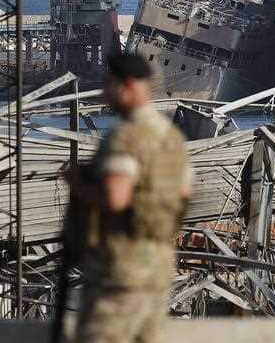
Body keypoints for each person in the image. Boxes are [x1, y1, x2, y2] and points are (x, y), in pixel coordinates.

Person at [66, 53, 193, 343]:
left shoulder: (128, 136)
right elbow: (184, 195)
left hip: (120, 269)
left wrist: (77, 183)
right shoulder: (172, 137)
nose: (103, 93)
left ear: (128, 86)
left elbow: (116, 198)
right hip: (158, 266)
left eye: (108, 85)